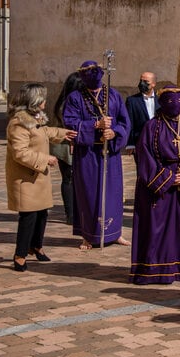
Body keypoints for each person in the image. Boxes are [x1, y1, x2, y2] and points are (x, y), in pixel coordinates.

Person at [130, 87, 180, 284]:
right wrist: (169, 178)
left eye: (179, 100)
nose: (175, 104)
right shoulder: (151, 127)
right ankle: (156, 269)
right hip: (158, 188)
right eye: (170, 100)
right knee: (157, 228)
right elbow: (145, 158)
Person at [7, 83, 77, 271]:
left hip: (38, 177)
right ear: (34, 101)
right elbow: (19, 153)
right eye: (43, 98)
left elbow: (45, 132)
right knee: (28, 216)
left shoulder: (34, 119)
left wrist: (63, 134)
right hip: (26, 179)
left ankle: (36, 246)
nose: (46, 101)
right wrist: (46, 159)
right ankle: (20, 255)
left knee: (42, 214)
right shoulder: (18, 123)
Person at [63, 60, 131, 249]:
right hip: (87, 154)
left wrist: (114, 132)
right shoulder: (75, 98)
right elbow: (69, 123)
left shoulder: (114, 95)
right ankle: (88, 235)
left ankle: (115, 233)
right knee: (89, 193)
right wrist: (94, 126)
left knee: (113, 193)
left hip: (110, 153)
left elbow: (125, 123)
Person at [52, 72, 82, 225]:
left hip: (65, 145)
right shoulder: (67, 103)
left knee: (70, 179)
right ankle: (70, 213)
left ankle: (74, 211)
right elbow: (69, 126)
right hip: (67, 146)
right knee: (69, 179)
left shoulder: (65, 101)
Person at [126, 71, 158, 147]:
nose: (142, 84)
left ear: (153, 84)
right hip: (140, 142)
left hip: (158, 142)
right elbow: (130, 123)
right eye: (141, 81)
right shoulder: (132, 101)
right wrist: (130, 144)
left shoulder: (161, 100)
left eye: (146, 81)